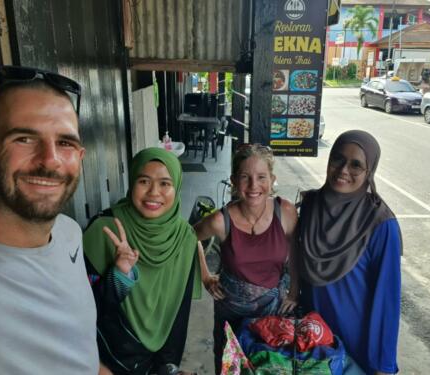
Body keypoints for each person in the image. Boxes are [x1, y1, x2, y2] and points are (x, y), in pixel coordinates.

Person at [0, 66, 102, 374]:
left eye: (65, 143)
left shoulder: (69, 233)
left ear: (80, 157)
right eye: (25, 139)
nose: (50, 159)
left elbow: (76, 349)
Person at [83, 147, 200, 375]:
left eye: (165, 183)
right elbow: (84, 307)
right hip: (110, 359)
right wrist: (120, 275)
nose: (154, 192)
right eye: (144, 181)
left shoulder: (185, 238)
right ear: (132, 182)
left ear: (176, 187)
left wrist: (169, 366)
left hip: (160, 361)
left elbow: (179, 314)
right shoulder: (103, 230)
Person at [298, 130, 402, 375]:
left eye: (356, 165)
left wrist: (382, 366)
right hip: (313, 341)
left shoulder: (380, 224)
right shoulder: (311, 206)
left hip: (356, 347)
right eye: (338, 159)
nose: (343, 170)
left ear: (369, 172)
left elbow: (387, 301)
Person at [193, 144, 299, 374]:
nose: (253, 186)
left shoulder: (286, 212)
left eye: (261, 177)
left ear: (272, 179)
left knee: (269, 366)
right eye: (245, 177)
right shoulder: (221, 221)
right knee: (230, 366)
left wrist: (294, 290)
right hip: (231, 311)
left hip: (274, 311)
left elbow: (297, 253)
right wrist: (205, 275)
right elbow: (189, 238)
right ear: (233, 180)